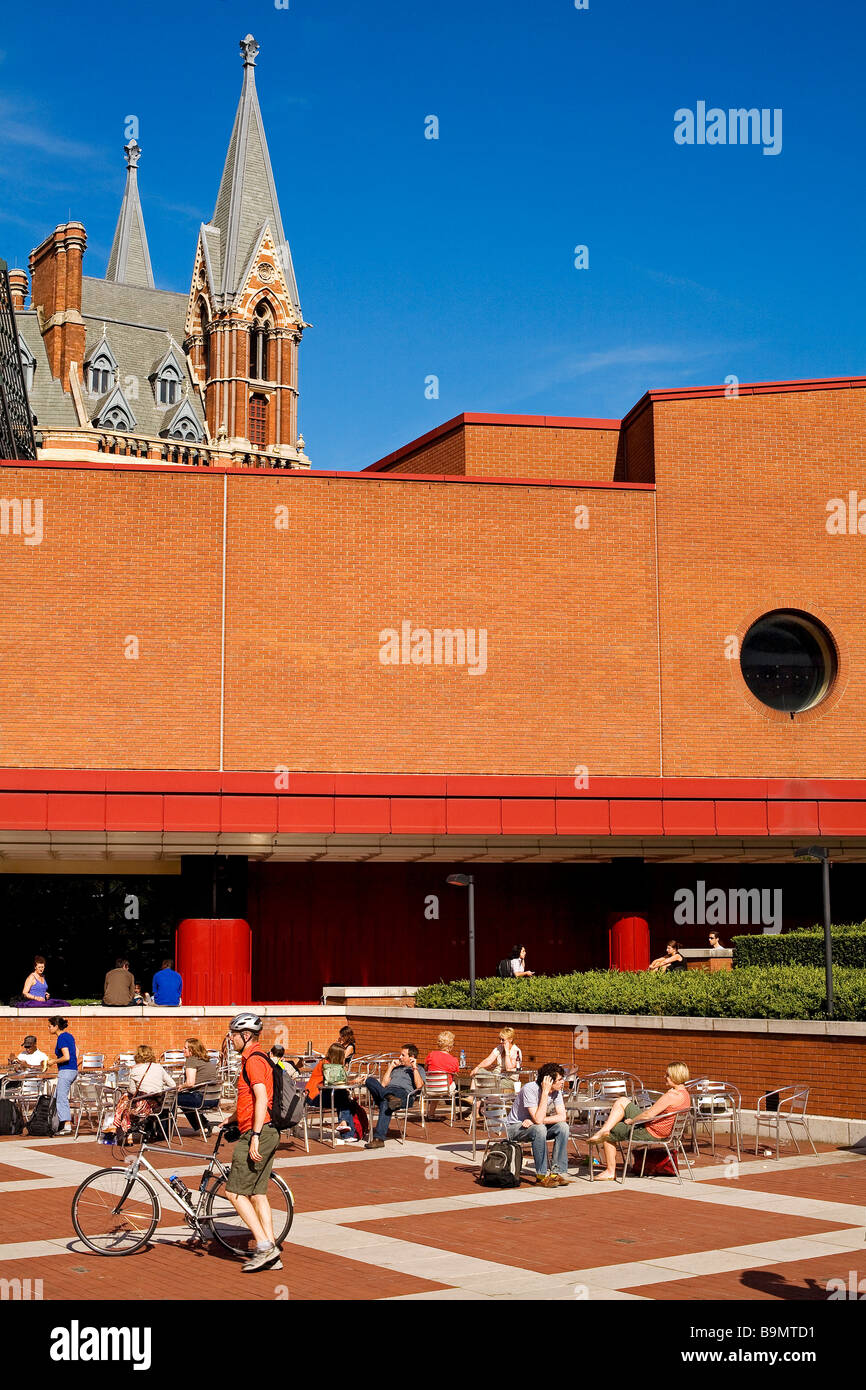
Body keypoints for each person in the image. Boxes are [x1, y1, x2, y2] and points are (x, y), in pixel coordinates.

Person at [221, 1012, 283, 1273]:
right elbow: (249, 1100)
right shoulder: (258, 1058)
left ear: (246, 1036)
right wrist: (231, 1119)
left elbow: (261, 1098)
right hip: (266, 1130)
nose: (231, 1039)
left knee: (234, 1192)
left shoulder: (253, 1061)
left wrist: (255, 1135)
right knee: (257, 1194)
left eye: (233, 1035)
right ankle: (273, 1255)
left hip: (258, 1133)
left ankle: (264, 1246)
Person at [588, 1062, 692, 1180]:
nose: (665, 1077)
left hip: (651, 1131)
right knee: (622, 1100)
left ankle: (610, 1171)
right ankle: (603, 1130)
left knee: (612, 1131)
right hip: (661, 1130)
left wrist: (632, 1121)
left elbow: (648, 1114)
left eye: (667, 1074)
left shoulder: (672, 1095)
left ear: (675, 1076)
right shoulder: (685, 1094)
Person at [506, 1063, 571, 1186]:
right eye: (560, 1079)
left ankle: (555, 1174)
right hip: (516, 1127)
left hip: (533, 1125)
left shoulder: (557, 1092)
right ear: (548, 1081)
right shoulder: (530, 1089)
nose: (563, 1082)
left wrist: (535, 1120)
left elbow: (562, 1116)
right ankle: (541, 1176)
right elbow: (538, 1120)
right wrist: (545, 1093)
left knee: (563, 1127)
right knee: (540, 1128)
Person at [359, 1044, 426, 1149]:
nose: (400, 1057)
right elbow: (383, 1085)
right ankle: (389, 1096)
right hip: (387, 1091)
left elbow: (419, 1086)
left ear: (411, 1057)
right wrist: (390, 1067)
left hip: (403, 1095)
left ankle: (378, 1139)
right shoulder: (396, 1068)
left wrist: (414, 1068)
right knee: (369, 1080)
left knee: (386, 1103)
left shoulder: (419, 1069)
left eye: (403, 1055)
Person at [306, 1044, 358, 1143]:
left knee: (344, 1100)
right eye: (343, 1054)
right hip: (315, 1096)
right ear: (338, 1055)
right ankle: (345, 1130)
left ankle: (346, 1131)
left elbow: (339, 1082)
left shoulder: (333, 1064)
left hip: (324, 1094)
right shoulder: (326, 1065)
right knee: (342, 1097)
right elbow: (335, 1082)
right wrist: (353, 1082)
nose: (345, 1056)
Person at [177, 1037, 219, 1136]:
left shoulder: (191, 1060)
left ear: (192, 1050)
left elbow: (190, 1083)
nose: (183, 1050)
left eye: (185, 1048)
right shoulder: (207, 1060)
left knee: (173, 1098)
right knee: (184, 1099)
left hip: (200, 1099)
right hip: (214, 1099)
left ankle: (163, 1131)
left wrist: (181, 1087)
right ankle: (204, 1125)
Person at [48, 1017, 78, 1136]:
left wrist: (53, 1062)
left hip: (66, 1071)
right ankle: (57, 1123)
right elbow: (77, 1051)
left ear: (56, 1026)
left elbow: (66, 1057)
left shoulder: (61, 1038)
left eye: (50, 1026)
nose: (48, 1028)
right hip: (72, 1070)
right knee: (56, 1096)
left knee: (61, 1098)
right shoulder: (69, 1036)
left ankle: (67, 1125)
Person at [425, 1030, 460, 1120]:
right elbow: (455, 1074)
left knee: (436, 1090)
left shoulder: (431, 1055)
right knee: (453, 1083)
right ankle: (454, 1115)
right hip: (445, 1088)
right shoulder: (453, 1060)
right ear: (450, 1045)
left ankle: (431, 1114)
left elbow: (426, 1069)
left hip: (431, 1087)